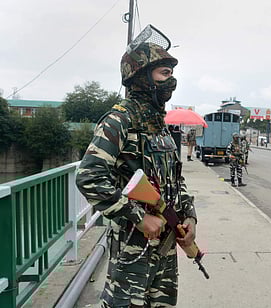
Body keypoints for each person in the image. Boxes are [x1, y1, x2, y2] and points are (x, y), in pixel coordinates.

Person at [76, 37, 197, 307]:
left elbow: (176, 179)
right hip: (134, 249)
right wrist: (138, 217)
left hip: (165, 248)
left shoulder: (159, 126)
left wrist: (190, 217)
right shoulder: (119, 120)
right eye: (165, 73)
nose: (171, 81)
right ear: (142, 76)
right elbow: (89, 177)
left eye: (172, 74)